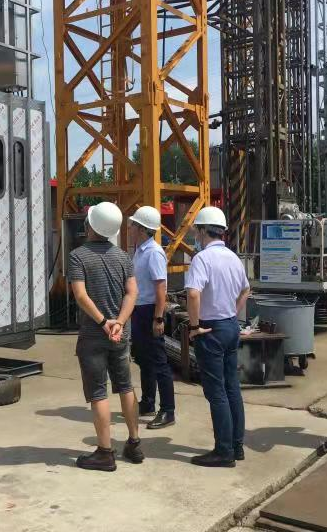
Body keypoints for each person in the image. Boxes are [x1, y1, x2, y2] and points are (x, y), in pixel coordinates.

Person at [67, 201, 143, 472]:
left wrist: (103, 323)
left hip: (93, 335)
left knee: (98, 393)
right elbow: (132, 293)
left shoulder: (78, 256)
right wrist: (119, 323)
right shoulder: (123, 257)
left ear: (89, 225)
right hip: (120, 335)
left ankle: (104, 452)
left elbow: (80, 295)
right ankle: (134, 443)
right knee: (126, 387)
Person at [184, 206, 250, 467]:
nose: (195, 236)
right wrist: (231, 312)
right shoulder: (233, 258)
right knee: (232, 387)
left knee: (216, 392)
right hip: (230, 325)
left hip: (210, 329)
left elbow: (193, 293)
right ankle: (236, 446)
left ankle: (223, 451)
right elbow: (246, 289)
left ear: (202, 231)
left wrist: (194, 326)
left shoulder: (202, 259)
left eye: (197, 231)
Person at [129, 205, 175, 429]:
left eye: (133, 225)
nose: (129, 228)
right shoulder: (140, 250)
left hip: (150, 311)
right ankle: (148, 402)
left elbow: (161, 288)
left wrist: (158, 318)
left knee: (158, 362)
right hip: (139, 310)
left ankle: (168, 410)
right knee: (143, 359)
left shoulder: (154, 252)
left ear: (142, 228)